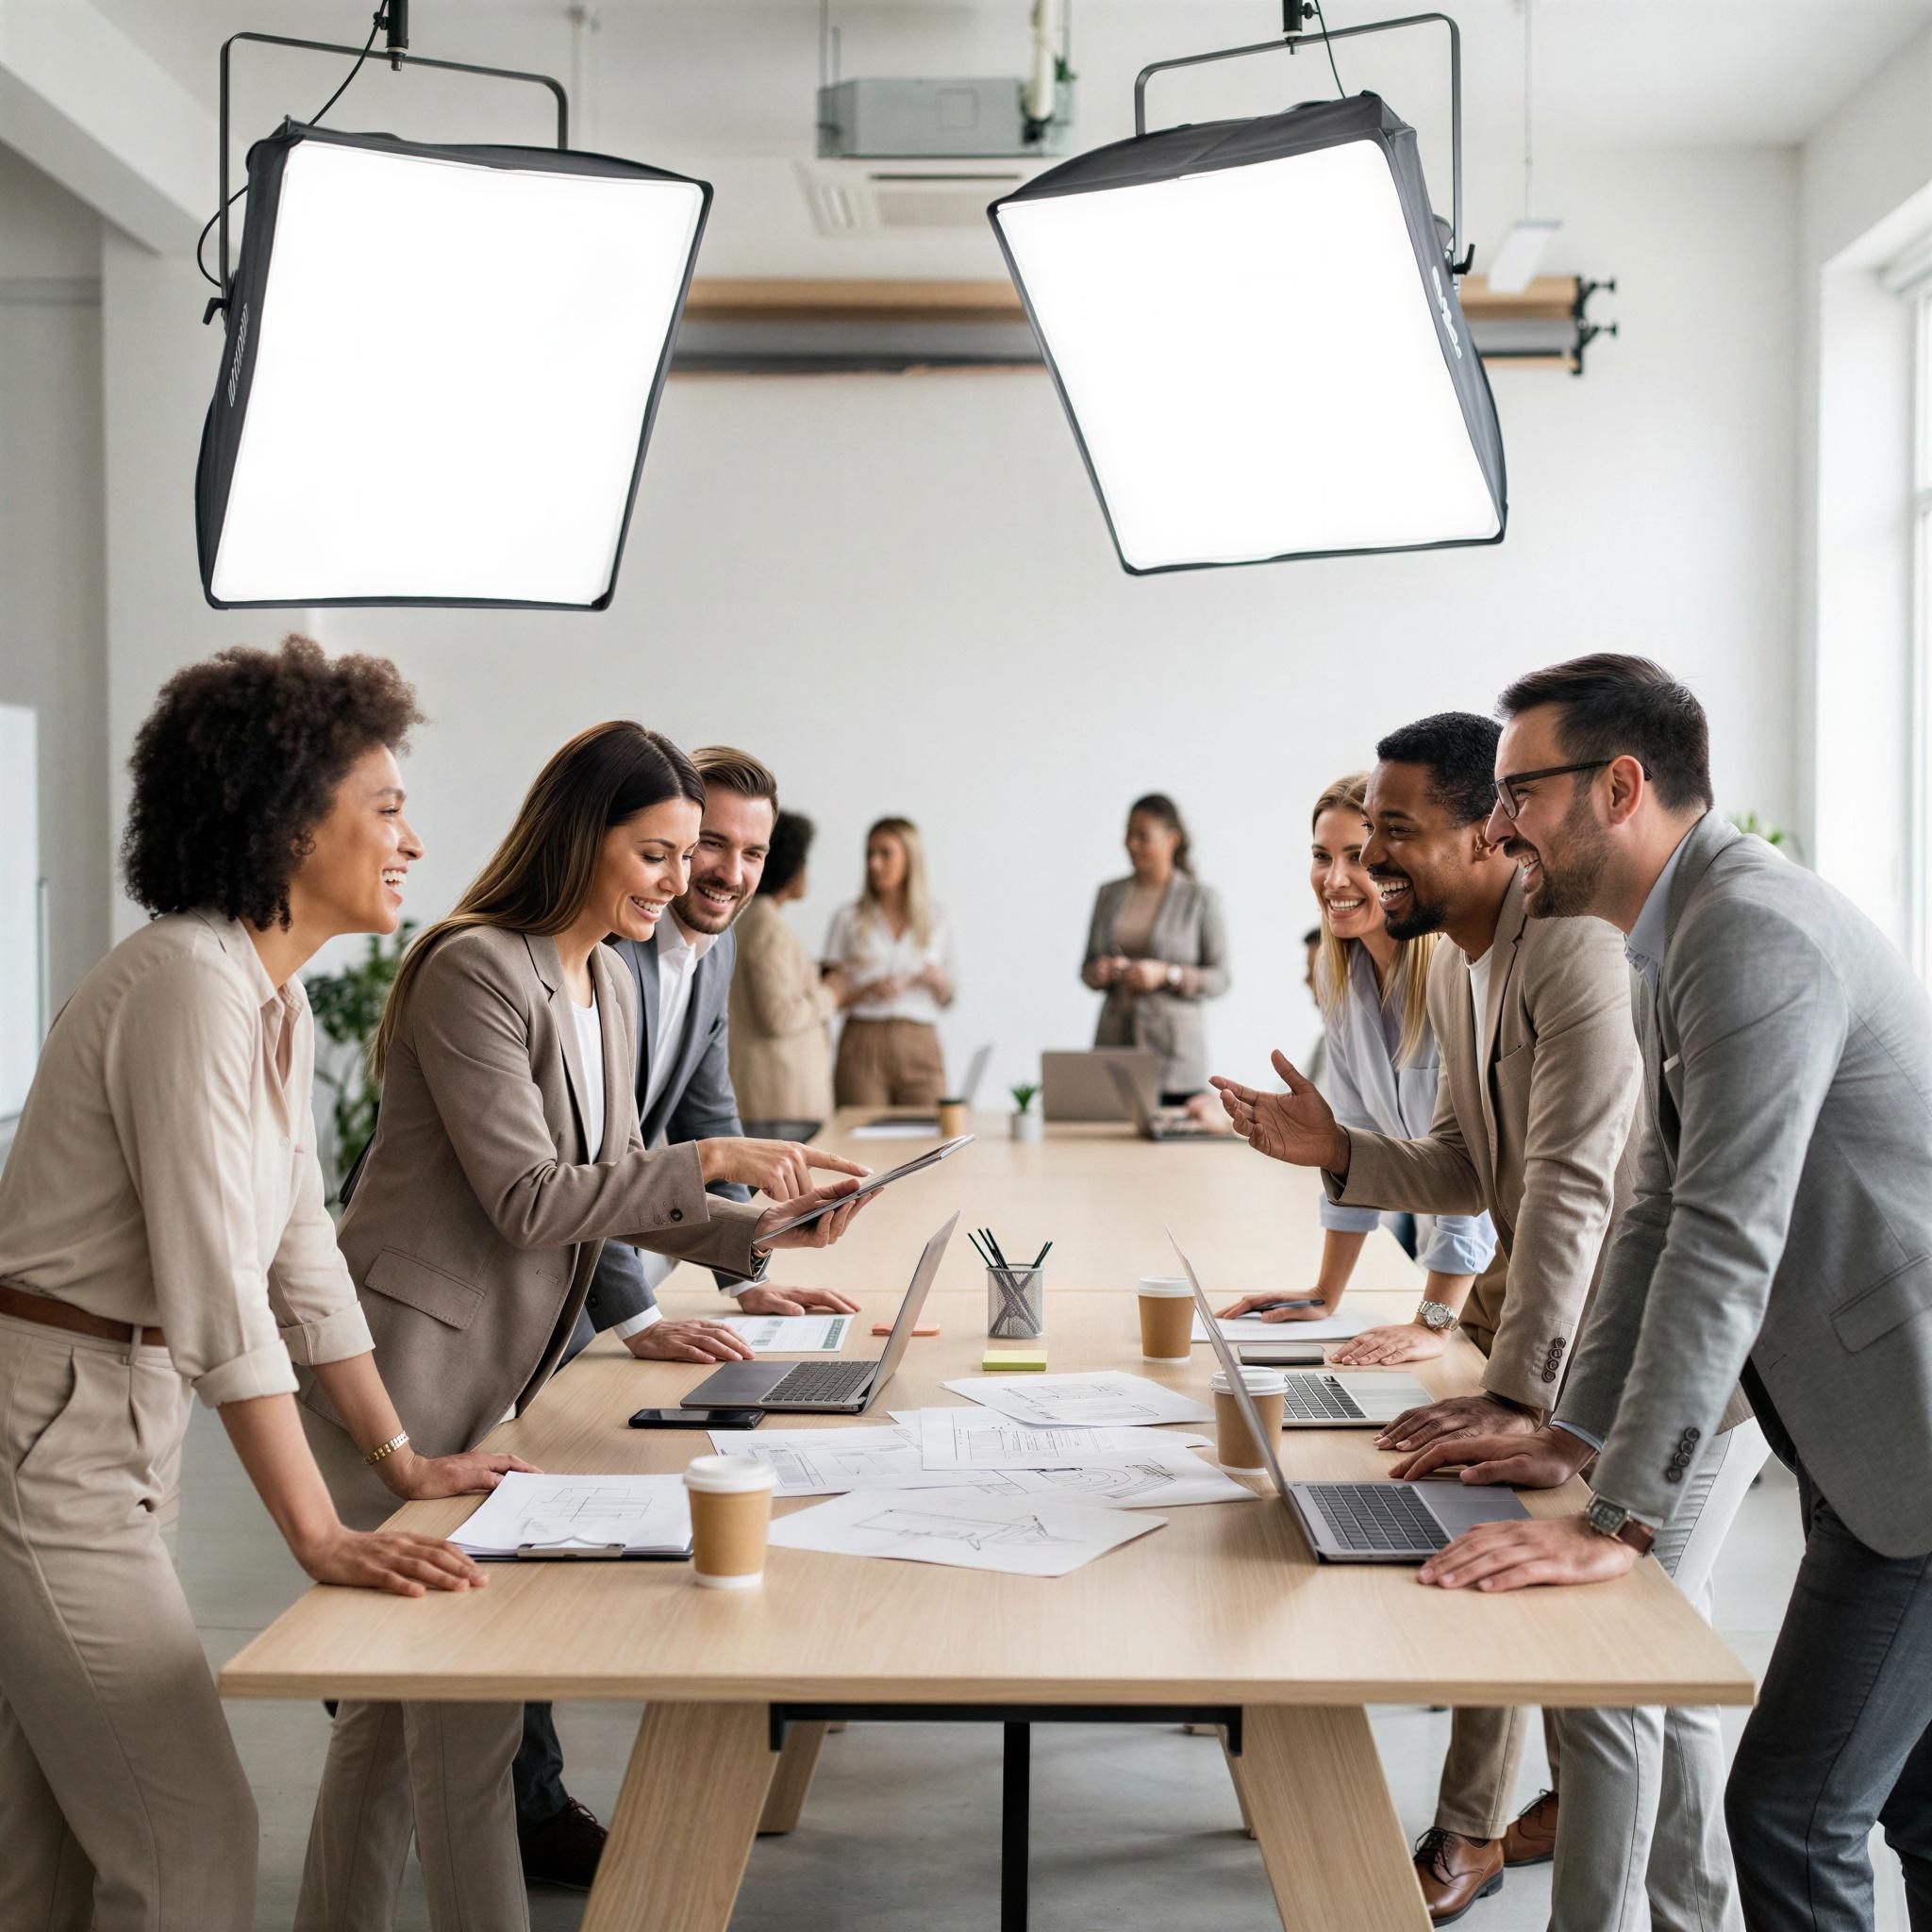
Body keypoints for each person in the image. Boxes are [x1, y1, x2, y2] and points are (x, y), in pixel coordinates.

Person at [294, 722, 870, 1932]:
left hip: (490, 1378)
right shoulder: (472, 968)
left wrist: (753, 1233)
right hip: (397, 1377)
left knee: (407, 1732)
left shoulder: (602, 973)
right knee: (444, 1728)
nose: (678, 881)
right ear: (581, 840)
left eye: (688, 854)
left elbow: (607, 1173)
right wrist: (711, 1158)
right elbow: (528, 1195)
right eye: (656, 853)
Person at [1396, 655, 1932, 1932]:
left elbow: (1724, 1237)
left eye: (1520, 790)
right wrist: (1570, 1436)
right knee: (1907, 1808)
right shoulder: (1672, 933)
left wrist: (1616, 1521)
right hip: (1866, 1432)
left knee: (1793, 1814)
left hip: (1912, 1440)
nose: (1502, 823)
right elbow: (1650, 1209)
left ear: (1620, 785)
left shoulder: (1749, 929)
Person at [0, 638, 528, 1932]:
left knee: (50, 1866)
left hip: (106, 1420)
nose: (411, 838)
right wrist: (315, 1531)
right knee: (190, 1839)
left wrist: (400, 1462)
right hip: (51, 1430)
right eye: (387, 806)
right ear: (292, 820)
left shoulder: (264, 997)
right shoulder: (187, 984)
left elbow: (303, 1258)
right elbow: (219, 1290)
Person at [1210, 712, 1700, 1929]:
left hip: (1670, 1349)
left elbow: (1579, 1186)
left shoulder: (1572, 951)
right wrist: (1339, 1151)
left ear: (1489, 830)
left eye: (1392, 832)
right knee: (1633, 1687)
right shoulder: (1482, 963)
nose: (1366, 861)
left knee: (1614, 1684)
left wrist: (1516, 1391)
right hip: (1592, 1341)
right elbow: (1469, 1165)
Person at [513, 749, 860, 1886]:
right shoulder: (603, 946)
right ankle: (524, 1799)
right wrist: (631, 1308)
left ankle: (515, 1788)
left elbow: (701, 1116)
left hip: (582, 1260)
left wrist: (746, 1266)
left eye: (751, 851)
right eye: (704, 842)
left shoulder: (698, 966)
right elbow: (589, 1165)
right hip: (530, 1268)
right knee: (529, 1522)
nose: (722, 870)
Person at [1217, 773, 1496, 1353]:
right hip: (1458, 1287)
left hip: (1511, 1273)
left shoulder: (1455, 974)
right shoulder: (1338, 976)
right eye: (1322, 856)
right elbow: (1355, 1140)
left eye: (1357, 857)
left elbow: (1475, 1167)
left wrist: (1432, 1322)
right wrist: (1325, 1292)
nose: (1335, 878)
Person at [1082, 792, 1229, 1104]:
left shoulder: (1200, 898)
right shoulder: (1108, 894)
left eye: (1142, 836)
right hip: (1114, 1046)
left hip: (1174, 1059)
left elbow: (1220, 978)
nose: (1130, 844)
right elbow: (1087, 968)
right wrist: (1100, 971)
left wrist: (1166, 974)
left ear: (1171, 840)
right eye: (1128, 834)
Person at [824, 815, 956, 1107]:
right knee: (859, 1141)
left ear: (910, 858)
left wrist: (937, 981)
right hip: (862, 1042)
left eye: (885, 854)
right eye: (870, 854)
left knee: (929, 1137)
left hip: (920, 1041)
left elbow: (948, 998)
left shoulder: (936, 919)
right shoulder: (847, 920)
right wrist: (868, 990)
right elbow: (829, 997)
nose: (874, 864)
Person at [730, 807, 838, 1131]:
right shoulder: (767, 926)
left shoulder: (753, 919)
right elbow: (777, 1015)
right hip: (780, 1102)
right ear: (790, 866)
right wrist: (833, 994)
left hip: (775, 1101)